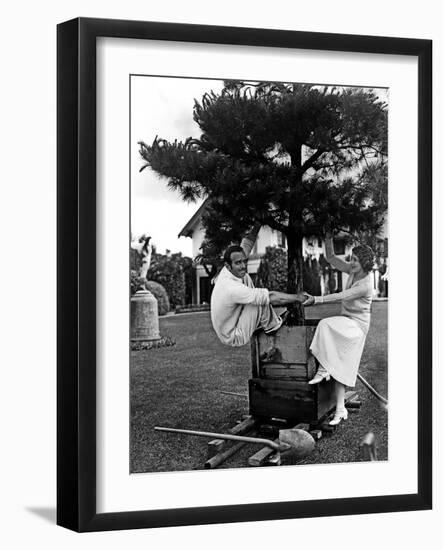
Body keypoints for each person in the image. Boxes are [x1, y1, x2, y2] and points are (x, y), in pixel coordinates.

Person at [303, 234, 375, 426]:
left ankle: (324, 367)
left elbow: (341, 295)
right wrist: (327, 235)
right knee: (341, 366)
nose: (351, 262)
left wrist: (316, 299)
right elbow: (331, 257)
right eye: (351, 258)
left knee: (325, 324)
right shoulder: (353, 270)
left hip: (357, 326)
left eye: (356, 260)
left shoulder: (365, 284)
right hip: (346, 320)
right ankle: (341, 409)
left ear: (365, 264)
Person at [210, 224, 306, 347]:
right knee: (260, 300)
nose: (243, 265)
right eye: (238, 263)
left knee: (246, 277)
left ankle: (266, 321)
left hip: (231, 324)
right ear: (228, 266)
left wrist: (257, 224)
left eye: (244, 261)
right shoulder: (232, 288)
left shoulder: (228, 270)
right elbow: (270, 297)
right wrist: (298, 298)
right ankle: (272, 327)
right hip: (234, 336)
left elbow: (247, 244)